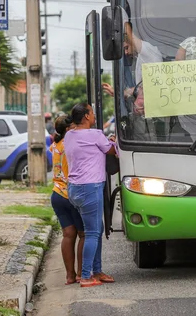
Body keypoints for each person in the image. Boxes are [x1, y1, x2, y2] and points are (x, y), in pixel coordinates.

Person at [65, 103, 116, 288]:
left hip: (74, 189)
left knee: (97, 228)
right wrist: (113, 141)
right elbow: (111, 150)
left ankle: (97, 270)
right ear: (86, 116)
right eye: (92, 112)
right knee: (93, 232)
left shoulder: (69, 135)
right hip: (89, 188)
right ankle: (86, 276)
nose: (94, 115)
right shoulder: (95, 134)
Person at [49, 115, 85, 285]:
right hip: (72, 194)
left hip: (57, 194)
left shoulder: (54, 145)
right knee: (83, 234)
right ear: (68, 130)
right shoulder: (69, 145)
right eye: (74, 127)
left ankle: (69, 276)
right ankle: (80, 274)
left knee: (68, 235)